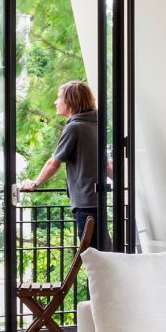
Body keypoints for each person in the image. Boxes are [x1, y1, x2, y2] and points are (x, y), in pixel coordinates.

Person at [21, 81, 112, 250]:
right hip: (97, 201)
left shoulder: (75, 127)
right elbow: (106, 166)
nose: (56, 102)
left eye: (59, 97)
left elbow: (53, 163)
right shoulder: (95, 125)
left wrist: (34, 184)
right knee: (103, 252)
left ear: (70, 101)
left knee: (93, 257)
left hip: (85, 205)